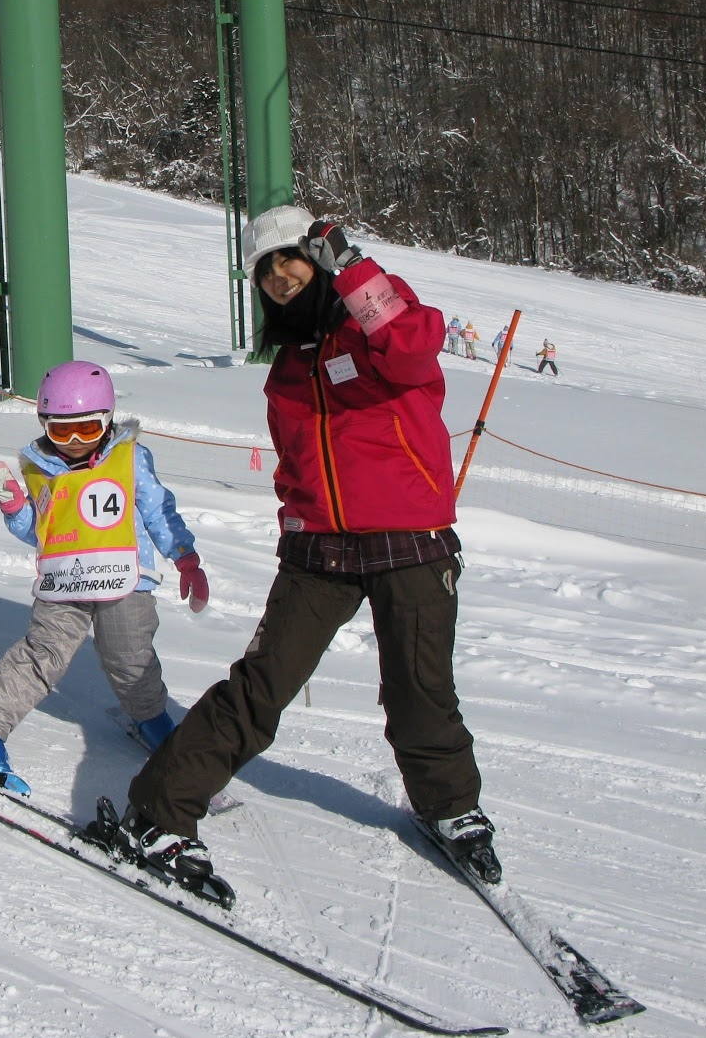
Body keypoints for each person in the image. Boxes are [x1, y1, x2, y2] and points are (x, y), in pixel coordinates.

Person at [103, 205, 497, 899]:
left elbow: (411, 349)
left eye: (290, 261)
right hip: (320, 550)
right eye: (266, 271)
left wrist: (357, 276)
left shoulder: (374, 329)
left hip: (411, 541)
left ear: (319, 261)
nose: (281, 278)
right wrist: (296, 520)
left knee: (419, 689)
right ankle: (159, 812)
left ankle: (451, 808)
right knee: (258, 688)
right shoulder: (287, 369)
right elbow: (295, 462)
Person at [0, 361, 209, 795]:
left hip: (126, 580)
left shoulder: (129, 458)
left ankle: (150, 718)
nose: (76, 442)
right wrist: (15, 510)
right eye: (63, 432)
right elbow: (39, 532)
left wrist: (185, 556)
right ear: (45, 425)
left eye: (88, 428)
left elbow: (159, 511)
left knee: (130, 656)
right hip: (64, 583)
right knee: (43, 653)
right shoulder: (41, 469)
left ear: (108, 420)